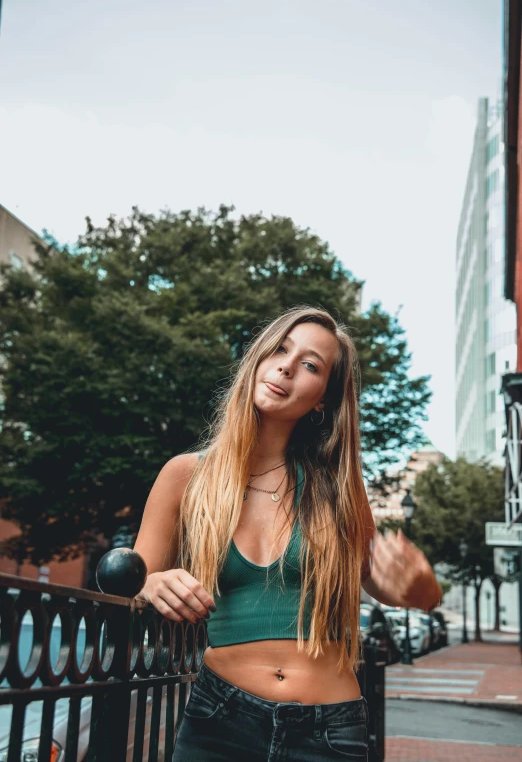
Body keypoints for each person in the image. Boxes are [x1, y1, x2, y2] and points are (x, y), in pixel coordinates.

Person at [133, 306, 441, 761]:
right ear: (258, 359)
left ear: (322, 399)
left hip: (329, 727)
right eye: (280, 349)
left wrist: (421, 589)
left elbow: (381, 580)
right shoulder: (185, 476)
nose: (287, 366)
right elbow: (133, 583)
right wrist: (151, 582)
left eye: (311, 364)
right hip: (218, 721)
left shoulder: (338, 488)